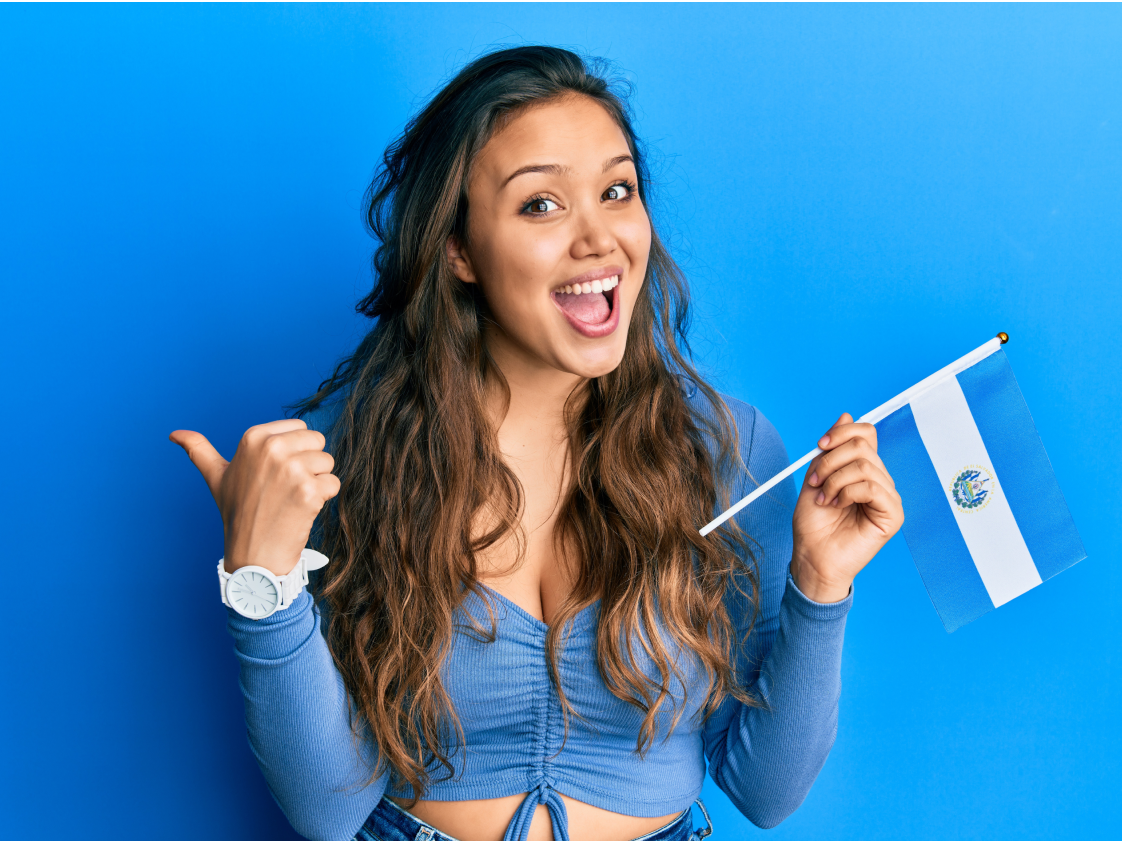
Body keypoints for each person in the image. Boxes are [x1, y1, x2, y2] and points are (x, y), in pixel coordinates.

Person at [170, 46, 903, 841]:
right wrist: (261, 583)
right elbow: (328, 807)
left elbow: (764, 789)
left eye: (616, 191)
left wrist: (820, 585)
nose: (598, 239)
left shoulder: (724, 447)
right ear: (458, 250)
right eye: (540, 206)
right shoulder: (340, 459)